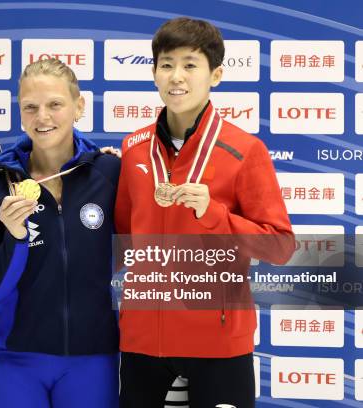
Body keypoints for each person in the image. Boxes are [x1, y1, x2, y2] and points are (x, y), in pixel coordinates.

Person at [115, 17, 294, 407]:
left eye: (190, 64)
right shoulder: (132, 148)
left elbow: (280, 247)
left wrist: (211, 213)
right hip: (143, 343)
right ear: (154, 73)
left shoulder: (245, 150)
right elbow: (120, 240)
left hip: (218, 345)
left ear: (216, 75)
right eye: (166, 64)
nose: (176, 76)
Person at [0, 58, 120, 408]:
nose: (43, 117)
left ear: (79, 106)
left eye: (55, 104)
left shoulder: (111, 173)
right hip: (18, 357)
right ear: (20, 113)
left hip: (94, 356)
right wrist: (16, 237)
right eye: (31, 107)